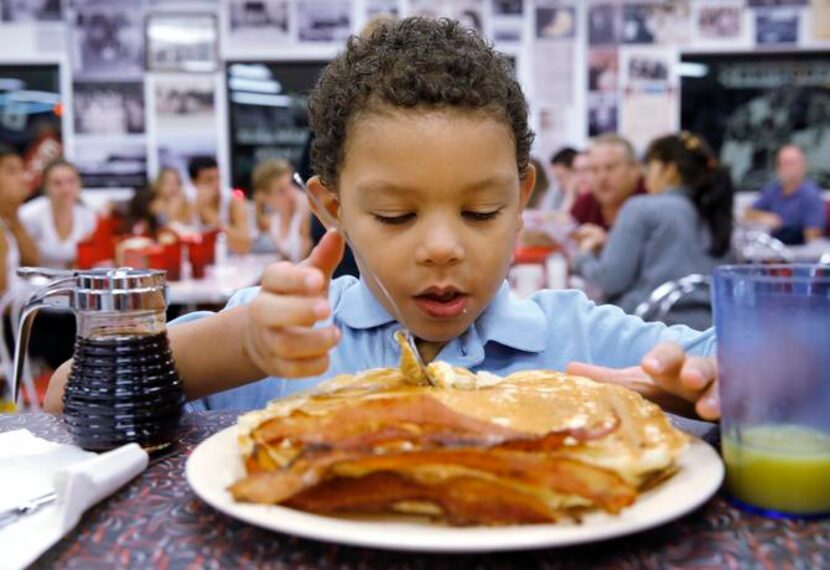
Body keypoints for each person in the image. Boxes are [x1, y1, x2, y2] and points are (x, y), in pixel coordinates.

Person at [45, 18, 720, 422]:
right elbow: (67, 397)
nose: (442, 247)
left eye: (482, 211)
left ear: (522, 199)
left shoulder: (575, 337)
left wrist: (701, 393)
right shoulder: (287, 338)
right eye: (396, 215)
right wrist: (242, 347)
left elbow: (774, 376)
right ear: (331, 208)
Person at [572, 132, 734, 329]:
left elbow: (609, 280)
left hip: (652, 329)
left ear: (670, 170)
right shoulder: (714, 212)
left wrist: (583, 255)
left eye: (650, 165)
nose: (645, 172)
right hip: (710, 331)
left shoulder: (641, 207)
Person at [570, 133, 646, 252]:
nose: (602, 177)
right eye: (594, 170)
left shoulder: (650, 202)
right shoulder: (585, 203)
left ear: (634, 168)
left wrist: (607, 242)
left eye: (610, 168)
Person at [19, 159, 97, 269]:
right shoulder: (28, 215)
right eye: (57, 183)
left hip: (70, 281)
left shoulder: (89, 216)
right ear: (46, 187)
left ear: (80, 183)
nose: (66, 189)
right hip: (34, 281)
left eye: (71, 181)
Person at [742, 144, 826, 245]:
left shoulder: (811, 195)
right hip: (772, 250)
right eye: (783, 163)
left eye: (792, 163)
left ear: (803, 166)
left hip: (799, 253)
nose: (787, 168)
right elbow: (748, 213)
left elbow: (813, 236)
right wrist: (767, 217)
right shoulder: (773, 190)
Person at [249, 159, 311, 261]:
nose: (290, 194)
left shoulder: (306, 215)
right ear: (267, 197)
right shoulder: (272, 221)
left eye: (291, 185)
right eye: (281, 191)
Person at [186, 156, 250, 254]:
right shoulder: (185, 202)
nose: (216, 184)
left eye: (218, 178)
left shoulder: (233, 200)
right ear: (194, 183)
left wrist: (210, 216)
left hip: (230, 260)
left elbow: (245, 246)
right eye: (209, 180)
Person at [0, 145, 38, 295]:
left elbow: (32, 263)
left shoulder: (10, 217)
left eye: (22, 170)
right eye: (12, 171)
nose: (24, 178)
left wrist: (13, 216)